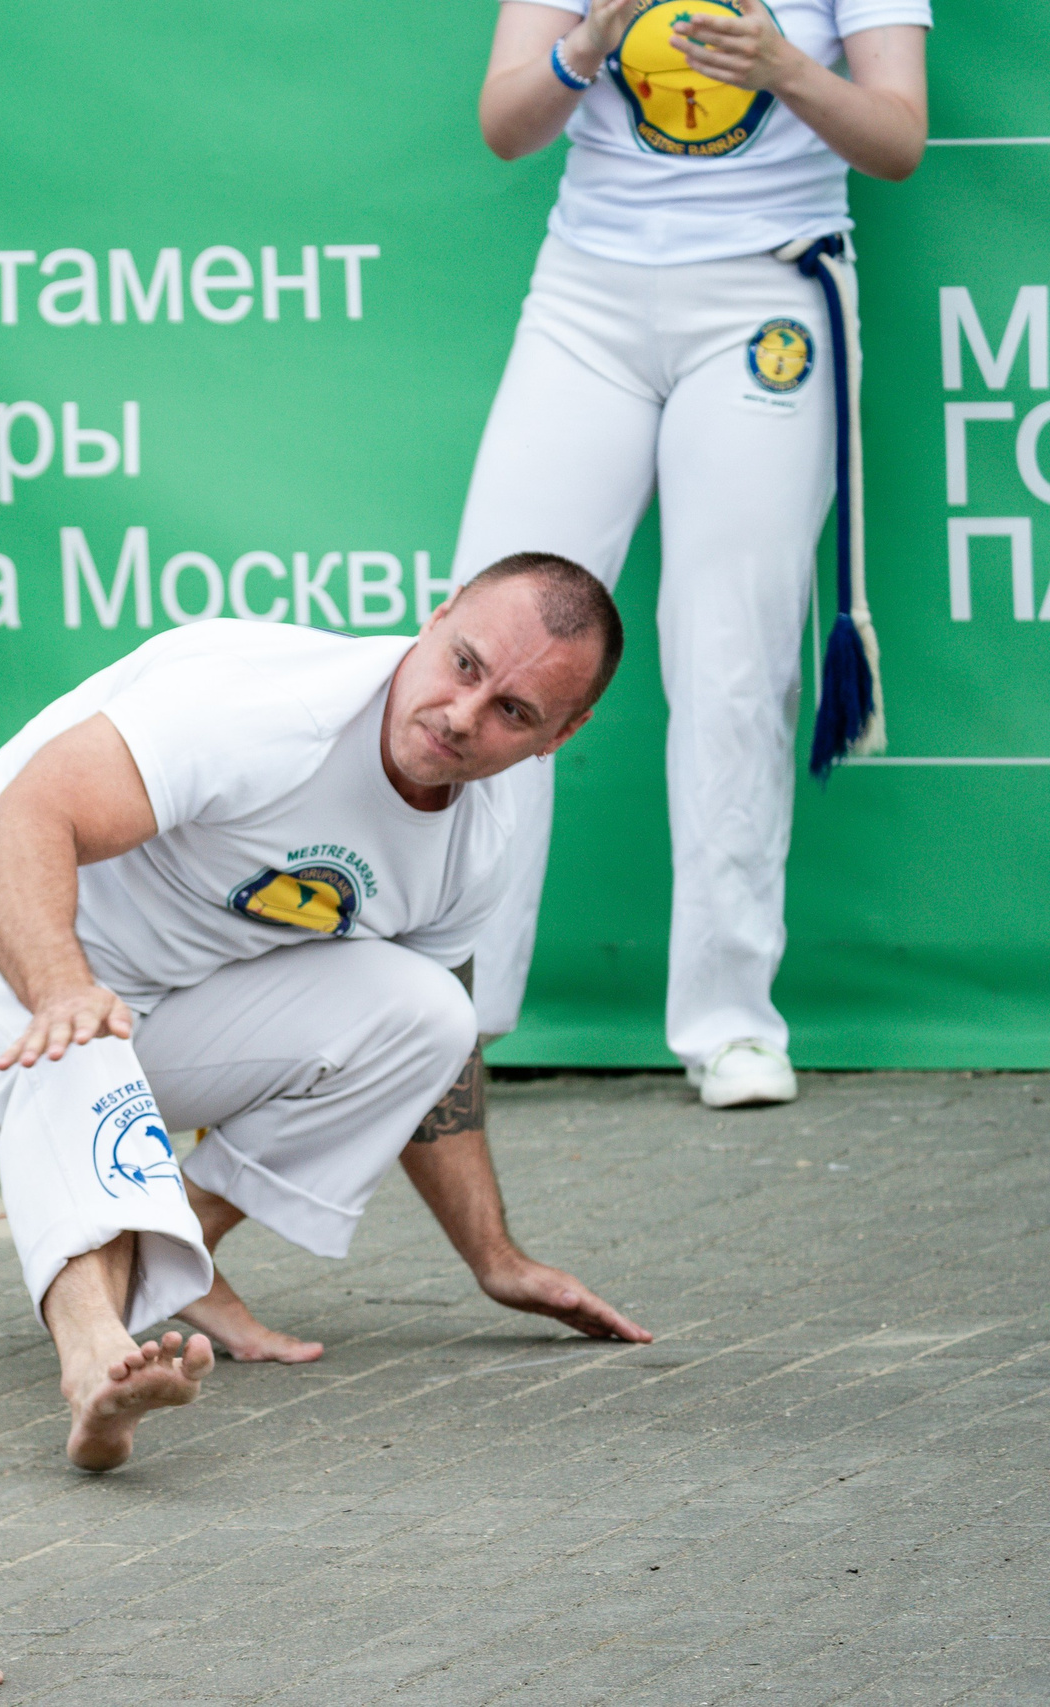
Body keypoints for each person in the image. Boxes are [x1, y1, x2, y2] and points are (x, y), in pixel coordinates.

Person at [0, 560, 654, 1474]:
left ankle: (175, 1247)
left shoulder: (476, 844)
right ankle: (93, 1354)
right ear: (435, 618)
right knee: (83, 1039)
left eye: (513, 710)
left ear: (562, 734)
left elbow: (435, 1060)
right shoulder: (264, 703)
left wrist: (494, 1256)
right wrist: (64, 988)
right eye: (464, 663)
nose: (464, 715)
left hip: (146, 1010)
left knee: (433, 1012)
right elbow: (17, 826)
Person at [456, 0, 929, 1108]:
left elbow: (897, 139)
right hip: (585, 298)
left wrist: (781, 67)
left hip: (770, 295)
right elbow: (505, 125)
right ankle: (450, 1008)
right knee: (491, 645)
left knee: (731, 662)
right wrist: (585, 46)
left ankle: (731, 1024)